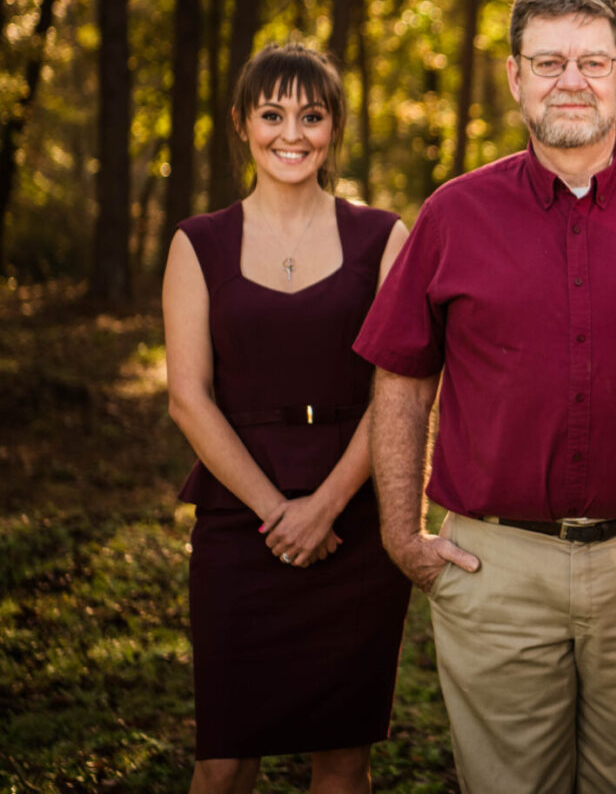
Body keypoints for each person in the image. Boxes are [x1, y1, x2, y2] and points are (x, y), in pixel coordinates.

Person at [353, 0, 616, 793]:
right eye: (548, 63)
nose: (572, 81)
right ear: (514, 77)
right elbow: (402, 379)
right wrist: (402, 535)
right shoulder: (455, 213)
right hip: (495, 564)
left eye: (592, 61)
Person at [163, 43, 411, 794]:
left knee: (342, 759)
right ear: (243, 124)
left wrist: (326, 507)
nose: (292, 133)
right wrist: (278, 514)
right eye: (272, 114)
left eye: (312, 115)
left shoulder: (384, 239)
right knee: (225, 759)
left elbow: (396, 391)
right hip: (240, 523)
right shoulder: (198, 243)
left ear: (334, 127)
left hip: (354, 520)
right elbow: (187, 397)